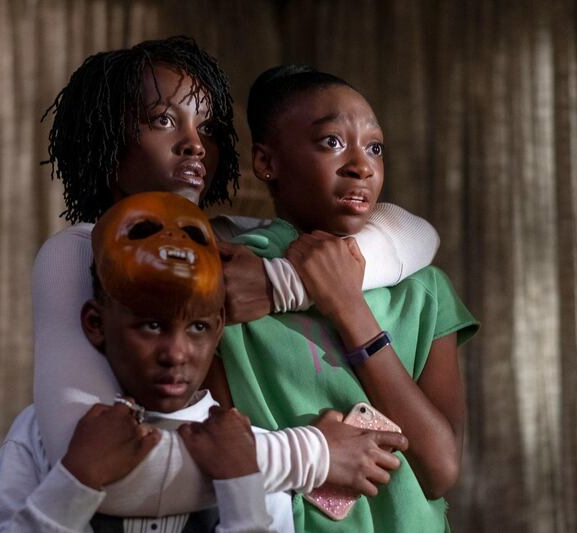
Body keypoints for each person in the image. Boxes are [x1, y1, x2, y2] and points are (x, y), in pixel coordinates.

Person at [34, 36, 440, 514]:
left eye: (207, 127)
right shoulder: (74, 251)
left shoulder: (227, 240)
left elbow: (417, 235)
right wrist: (314, 453)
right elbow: (100, 474)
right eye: (164, 120)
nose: (195, 144)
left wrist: (282, 284)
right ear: (104, 137)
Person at [211, 65, 480, 532]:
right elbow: (216, 452)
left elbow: (439, 471)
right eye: (332, 142)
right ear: (266, 162)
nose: (362, 165)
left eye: (374, 147)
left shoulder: (424, 290)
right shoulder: (233, 276)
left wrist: (350, 308)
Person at [0, 192, 299, 531]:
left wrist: (241, 485)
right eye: (152, 325)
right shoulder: (43, 434)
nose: (175, 353)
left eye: (198, 327)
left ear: (219, 328)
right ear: (95, 324)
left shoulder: (247, 449)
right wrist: (76, 477)